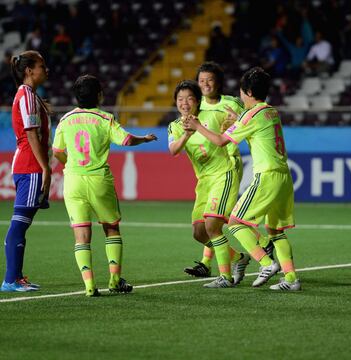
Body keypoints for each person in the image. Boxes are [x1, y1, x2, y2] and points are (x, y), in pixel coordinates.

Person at [184, 67, 301, 291]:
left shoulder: (250, 115)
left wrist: (198, 126)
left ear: (247, 91)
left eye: (241, 91)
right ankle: (291, 278)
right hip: (284, 176)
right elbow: (253, 133)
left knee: (236, 222)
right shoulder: (271, 111)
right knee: (276, 231)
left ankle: (266, 264)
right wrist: (235, 122)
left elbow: (219, 141)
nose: (239, 95)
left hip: (266, 175)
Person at [52, 75, 157, 297]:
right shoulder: (105, 118)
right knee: (111, 228)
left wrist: (70, 165)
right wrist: (144, 139)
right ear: (99, 94)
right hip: (99, 180)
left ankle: (89, 286)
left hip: (73, 181)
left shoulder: (65, 120)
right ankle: (114, 280)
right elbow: (126, 141)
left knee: (81, 235)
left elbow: (57, 152)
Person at [168, 80, 250, 288]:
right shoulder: (175, 126)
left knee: (212, 225)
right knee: (199, 232)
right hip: (204, 181)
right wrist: (187, 133)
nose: (184, 103)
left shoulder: (212, 115)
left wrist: (234, 120)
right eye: (180, 99)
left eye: (189, 98)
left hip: (224, 174)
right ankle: (239, 258)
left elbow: (239, 124)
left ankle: (226, 277)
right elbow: (173, 150)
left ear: (197, 101)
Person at [1, 50, 51, 292]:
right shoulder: (27, 95)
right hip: (30, 165)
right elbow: (31, 134)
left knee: (22, 222)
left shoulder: (29, 95)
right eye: (42, 65)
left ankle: (16, 277)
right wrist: (44, 167)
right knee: (19, 224)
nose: (46, 69)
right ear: (30, 71)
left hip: (27, 164)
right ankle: (10, 280)